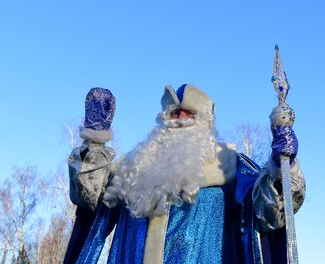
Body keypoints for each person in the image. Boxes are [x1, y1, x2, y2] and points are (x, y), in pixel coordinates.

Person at [64, 84, 305, 264]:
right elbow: (92, 203)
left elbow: (267, 212)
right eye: (172, 114)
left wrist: (279, 165)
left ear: (206, 123)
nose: (179, 120)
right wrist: (94, 143)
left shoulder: (229, 166)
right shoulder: (133, 166)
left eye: (189, 114)